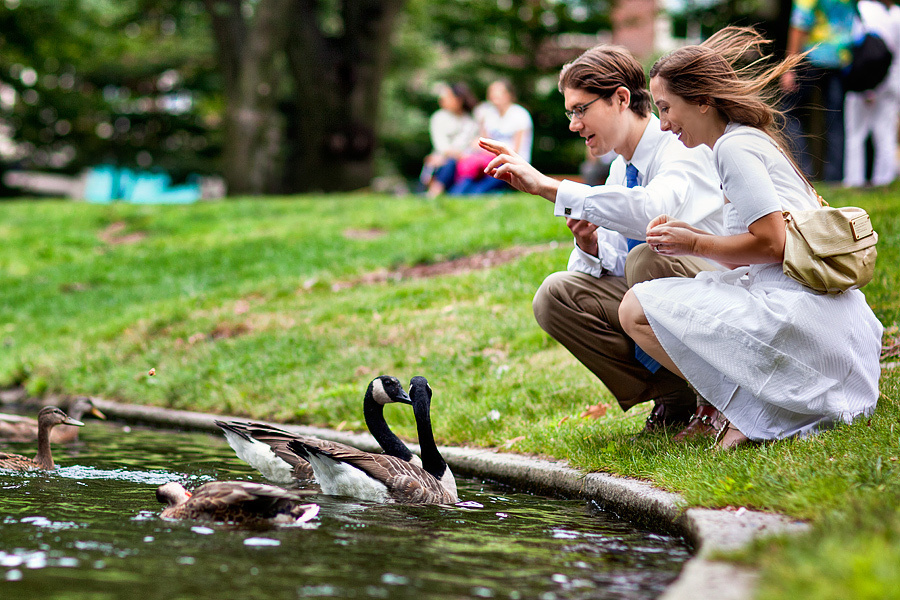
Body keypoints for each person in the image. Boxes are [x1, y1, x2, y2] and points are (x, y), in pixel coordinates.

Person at [618, 26, 883, 449]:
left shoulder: (734, 149)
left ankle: (742, 409)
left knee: (634, 308)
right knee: (653, 301)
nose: (663, 124)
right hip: (824, 319)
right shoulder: (745, 141)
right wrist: (693, 234)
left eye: (666, 108)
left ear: (703, 101)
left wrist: (694, 245)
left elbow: (773, 244)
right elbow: (762, 247)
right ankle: (746, 407)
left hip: (798, 315)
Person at [479, 45, 728, 437]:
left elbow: (652, 212)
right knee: (556, 295)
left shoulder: (678, 144)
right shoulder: (619, 169)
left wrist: (549, 187)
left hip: (723, 297)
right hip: (662, 295)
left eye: (581, 109)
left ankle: (719, 396)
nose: (574, 125)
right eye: (570, 113)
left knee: (648, 256)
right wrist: (590, 246)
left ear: (621, 99)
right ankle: (675, 395)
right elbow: (614, 264)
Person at [780, 0, 857, 182]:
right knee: (835, 121)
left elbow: (800, 22)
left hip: (813, 56)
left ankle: (803, 172)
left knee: (787, 111)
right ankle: (834, 178)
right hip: (840, 58)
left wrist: (789, 67)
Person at [843, 0, 900, 188]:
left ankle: (854, 180)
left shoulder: (861, 9)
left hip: (863, 81)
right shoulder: (895, 15)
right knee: (885, 132)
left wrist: (867, 85)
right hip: (890, 81)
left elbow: (854, 45)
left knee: (855, 134)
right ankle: (884, 179)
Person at [450, 79, 533, 195]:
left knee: (477, 192)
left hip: (510, 164)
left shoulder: (520, 115)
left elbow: (517, 151)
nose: (494, 95)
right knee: (461, 189)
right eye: (492, 92)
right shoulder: (489, 115)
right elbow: (484, 143)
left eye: (498, 92)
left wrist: (492, 153)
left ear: (509, 95)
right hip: (489, 162)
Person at [420, 82, 480, 198]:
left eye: (448, 96)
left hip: (461, 161)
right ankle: (435, 190)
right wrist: (452, 155)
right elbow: (441, 146)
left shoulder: (470, 121)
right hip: (441, 161)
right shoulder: (438, 117)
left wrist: (456, 155)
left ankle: (435, 192)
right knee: (444, 162)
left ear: (459, 99)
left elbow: (469, 145)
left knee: (452, 162)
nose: (442, 100)